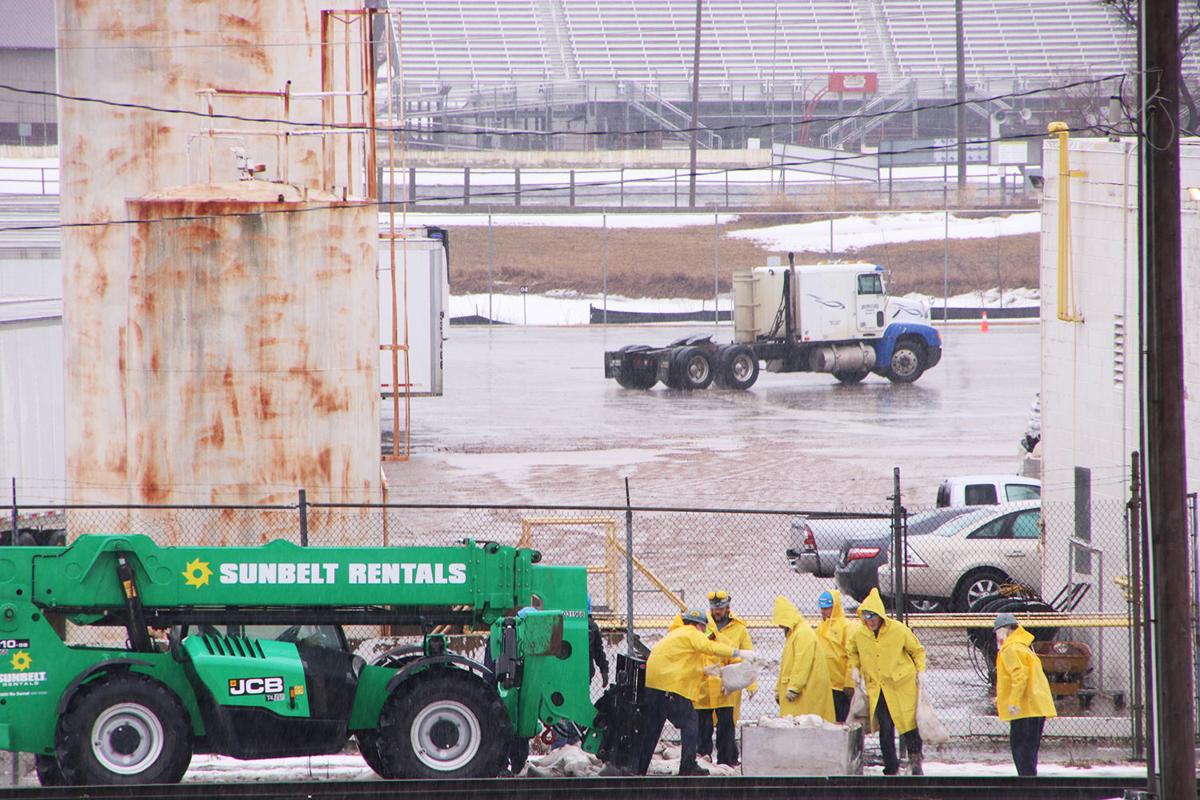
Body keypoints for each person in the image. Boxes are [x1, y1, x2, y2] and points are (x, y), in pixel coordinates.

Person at [638, 608, 758, 776]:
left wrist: (715, 672)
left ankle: (639, 768)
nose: (705, 632)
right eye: (704, 628)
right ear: (700, 625)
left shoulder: (676, 635)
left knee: (653, 729)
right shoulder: (691, 632)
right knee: (690, 721)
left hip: (655, 686)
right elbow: (709, 647)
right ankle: (687, 766)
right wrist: (739, 652)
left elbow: (690, 665)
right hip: (670, 686)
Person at [847, 588, 926, 775]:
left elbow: (917, 650)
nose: (871, 621)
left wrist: (920, 671)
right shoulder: (860, 634)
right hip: (879, 689)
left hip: (901, 686)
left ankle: (916, 762)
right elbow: (852, 651)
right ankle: (891, 766)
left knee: (908, 725)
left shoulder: (898, 630)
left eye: (874, 617)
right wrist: (855, 667)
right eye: (867, 617)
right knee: (885, 727)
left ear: (881, 616)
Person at [694, 590, 756, 767]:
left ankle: (726, 761)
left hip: (727, 686)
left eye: (720, 608)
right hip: (705, 684)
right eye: (714, 609)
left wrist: (751, 684)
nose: (716, 612)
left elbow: (748, 657)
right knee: (703, 726)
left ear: (728, 608)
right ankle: (702, 761)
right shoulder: (702, 625)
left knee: (726, 725)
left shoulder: (739, 629)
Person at [993, 612, 1057, 776]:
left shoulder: (1010, 650)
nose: (997, 637)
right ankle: (1031, 785)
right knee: (1030, 748)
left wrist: (1013, 702)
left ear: (1005, 630)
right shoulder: (1023, 647)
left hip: (1023, 708)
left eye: (998, 632)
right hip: (1036, 706)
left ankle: (1025, 786)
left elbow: (1019, 676)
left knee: (1020, 747)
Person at [550, 595, 610, 749]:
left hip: (563, 675)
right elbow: (599, 651)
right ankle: (575, 745)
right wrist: (604, 670)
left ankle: (559, 747)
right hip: (583, 675)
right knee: (578, 709)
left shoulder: (563, 624)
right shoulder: (591, 626)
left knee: (562, 710)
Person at [772, 595, 836, 722]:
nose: (780, 625)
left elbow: (802, 663)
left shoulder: (803, 633)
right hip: (800, 692)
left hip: (806, 693)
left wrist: (794, 688)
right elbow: (786, 666)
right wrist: (778, 689)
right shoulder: (795, 633)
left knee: (805, 728)